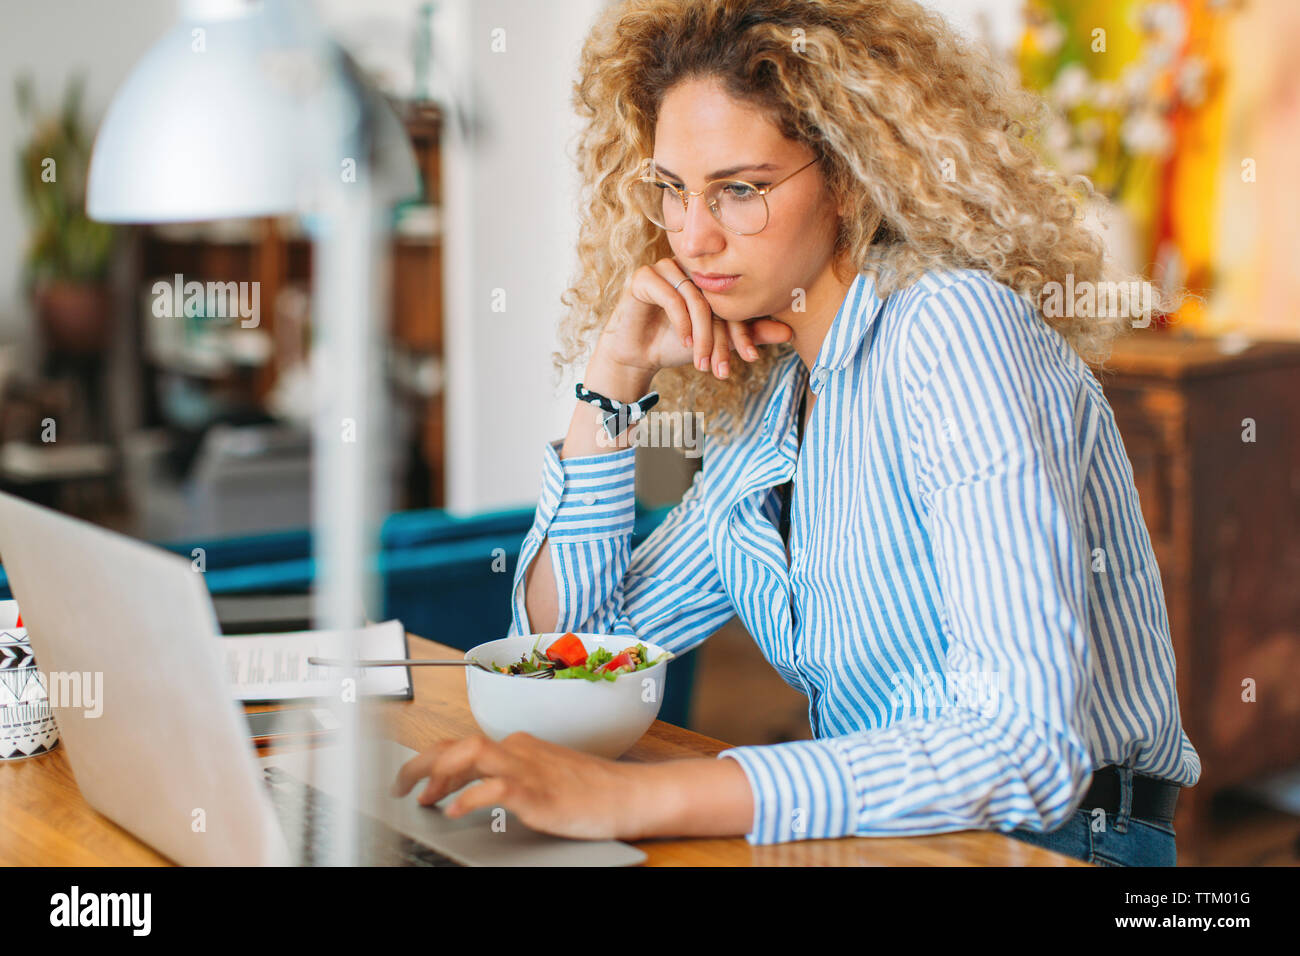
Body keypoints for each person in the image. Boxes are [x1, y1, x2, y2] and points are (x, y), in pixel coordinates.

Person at [392, 0, 1200, 866]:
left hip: (1060, 843)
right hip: (885, 838)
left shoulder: (953, 330)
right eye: (673, 190)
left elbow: (1026, 749)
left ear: (850, 174)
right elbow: (578, 656)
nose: (694, 238)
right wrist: (612, 383)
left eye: (740, 190)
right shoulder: (773, 402)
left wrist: (640, 796)